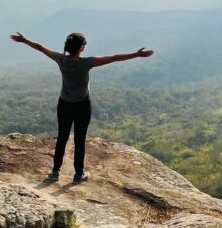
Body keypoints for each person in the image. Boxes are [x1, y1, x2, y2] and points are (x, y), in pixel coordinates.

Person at [9, 31, 154, 183]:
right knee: (80, 139)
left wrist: (24, 40)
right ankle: (78, 175)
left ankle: (55, 172)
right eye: (84, 44)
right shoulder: (86, 63)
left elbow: (40, 47)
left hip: (64, 104)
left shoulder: (61, 60)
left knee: (62, 138)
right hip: (82, 105)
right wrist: (136, 55)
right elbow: (114, 58)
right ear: (80, 48)